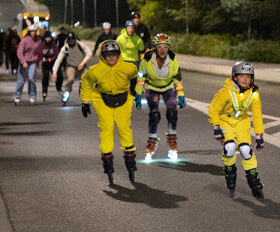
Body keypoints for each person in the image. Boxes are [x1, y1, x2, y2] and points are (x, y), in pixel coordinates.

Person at [79, 39, 139, 184]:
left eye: (114, 54)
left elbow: (137, 76)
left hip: (123, 99)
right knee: (106, 128)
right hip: (102, 99)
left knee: (124, 128)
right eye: (108, 54)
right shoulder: (95, 71)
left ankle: (130, 158)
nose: (112, 57)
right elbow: (86, 83)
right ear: (102, 56)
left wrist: (136, 91)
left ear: (119, 54)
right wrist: (85, 102)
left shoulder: (128, 68)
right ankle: (107, 158)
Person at [208, 61, 265, 198]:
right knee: (230, 147)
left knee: (246, 150)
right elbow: (214, 110)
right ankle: (230, 172)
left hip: (242, 122)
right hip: (225, 121)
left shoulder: (254, 94)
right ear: (234, 77)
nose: (245, 79)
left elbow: (257, 116)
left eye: (248, 76)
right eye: (241, 76)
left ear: (252, 79)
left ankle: (253, 180)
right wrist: (216, 126)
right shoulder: (226, 92)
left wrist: (259, 135)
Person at [135, 33, 185, 161]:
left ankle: (172, 143)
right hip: (152, 87)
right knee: (154, 116)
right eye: (159, 47)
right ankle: (152, 144)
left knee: (172, 113)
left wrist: (181, 94)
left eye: (165, 47)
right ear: (155, 48)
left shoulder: (173, 59)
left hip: (168, 87)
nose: (163, 50)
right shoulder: (146, 59)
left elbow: (177, 78)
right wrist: (138, 94)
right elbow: (141, 77)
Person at [53, 32, 89, 105]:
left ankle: (84, 97)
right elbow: (59, 60)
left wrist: (83, 63)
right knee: (70, 79)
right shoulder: (65, 48)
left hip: (81, 65)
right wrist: (54, 72)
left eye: (73, 40)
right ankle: (65, 96)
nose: (71, 42)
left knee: (84, 81)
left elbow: (89, 53)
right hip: (71, 66)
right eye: (70, 40)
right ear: (67, 40)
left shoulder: (80, 45)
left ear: (75, 39)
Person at [13, 24, 44, 105]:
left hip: (33, 62)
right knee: (21, 80)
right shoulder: (24, 40)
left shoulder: (38, 41)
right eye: (31, 31)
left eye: (34, 31)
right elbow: (19, 52)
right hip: (24, 62)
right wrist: (23, 62)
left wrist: (39, 62)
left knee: (31, 79)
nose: (33, 33)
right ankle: (17, 96)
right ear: (29, 32)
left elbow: (40, 53)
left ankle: (32, 96)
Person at [39, 31, 58, 101]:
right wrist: (42, 59)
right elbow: (39, 53)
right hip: (45, 63)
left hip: (53, 63)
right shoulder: (41, 44)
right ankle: (44, 90)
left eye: (49, 38)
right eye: (46, 38)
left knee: (58, 75)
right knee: (45, 76)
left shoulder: (54, 44)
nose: (48, 39)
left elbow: (56, 54)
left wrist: (50, 59)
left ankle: (59, 88)